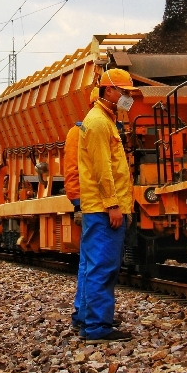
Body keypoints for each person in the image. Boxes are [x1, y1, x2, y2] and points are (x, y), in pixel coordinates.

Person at [75, 68, 137, 344]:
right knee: (103, 266)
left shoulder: (102, 120)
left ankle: (85, 318)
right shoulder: (100, 122)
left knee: (91, 265)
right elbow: (103, 169)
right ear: (108, 90)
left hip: (96, 206)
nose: (127, 98)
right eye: (124, 92)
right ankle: (98, 327)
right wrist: (113, 204)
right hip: (103, 207)